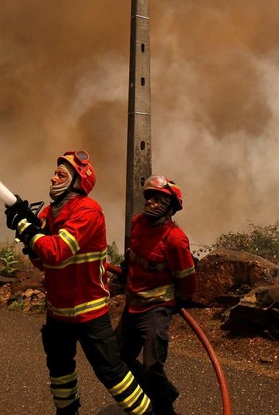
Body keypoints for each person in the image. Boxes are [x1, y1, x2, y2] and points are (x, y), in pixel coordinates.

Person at [5, 150, 153, 415]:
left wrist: (29, 232)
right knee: (60, 372)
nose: (52, 178)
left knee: (112, 374)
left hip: (89, 312)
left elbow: (58, 250)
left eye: (61, 174)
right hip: (58, 312)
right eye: (55, 172)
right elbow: (44, 262)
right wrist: (30, 241)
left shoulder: (88, 210)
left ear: (77, 181)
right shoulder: (50, 212)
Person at [116, 174, 198, 415]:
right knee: (117, 358)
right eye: (149, 197)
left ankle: (165, 405)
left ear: (170, 207)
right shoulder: (138, 223)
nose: (151, 202)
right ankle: (153, 395)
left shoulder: (175, 239)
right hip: (132, 306)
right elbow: (133, 256)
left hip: (156, 310)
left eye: (158, 199)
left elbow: (186, 277)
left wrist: (181, 301)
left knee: (152, 367)